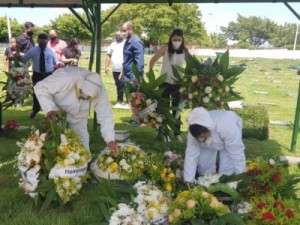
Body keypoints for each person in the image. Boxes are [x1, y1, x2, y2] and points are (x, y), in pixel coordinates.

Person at [33, 66, 119, 157]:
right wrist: (50, 109)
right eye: (81, 93)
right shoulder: (67, 77)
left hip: (79, 120)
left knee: (84, 154)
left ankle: (84, 168)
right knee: (53, 151)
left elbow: (105, 116)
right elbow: (40, 87)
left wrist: (110, 140)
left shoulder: (100, 91)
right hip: (57, 117)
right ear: (79, 84)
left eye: (88, 98)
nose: (83, 98)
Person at [183, 107, 246, 183]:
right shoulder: (193, 133)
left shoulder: (226, 126)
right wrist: (188, 180)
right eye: (200, 137)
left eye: (204, 136)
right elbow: (191, 155)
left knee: (226, 170)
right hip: (212, 135)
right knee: (204, 168)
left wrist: (241, 178)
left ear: (208, 128)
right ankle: (209, 183)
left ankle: (230, 184)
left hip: (229, 136)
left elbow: (237, 153)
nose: (203, 139)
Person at [149, 29, 190, 143]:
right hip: (165, 82)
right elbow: (152, 61)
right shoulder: (165, 48)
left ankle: (177, 134)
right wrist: (151, 74)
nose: (176, 41)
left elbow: (191, 64)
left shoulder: (185, 50)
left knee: (177, 110)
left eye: (179, 40)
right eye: (174, 39)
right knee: (163, 108)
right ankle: (163, 132)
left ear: (182, 40)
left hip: (179, 84)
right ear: (171, 39)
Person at [21, 33, 61, 119]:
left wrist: (60, 64)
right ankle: (35, 109)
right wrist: (17, 56)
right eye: (41, 40)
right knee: (36, 93)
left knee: (51, 93)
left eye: (44, 40)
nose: (42, 41)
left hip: (49, 75)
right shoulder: (32, 50)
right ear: (38, 40)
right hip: (37, 75)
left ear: (47, 41)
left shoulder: (51, 51)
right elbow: (23, 60)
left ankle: (52, 112)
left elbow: (55, 62)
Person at [104, 30, 127, 109]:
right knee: (118, 85)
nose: (117, 37)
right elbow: (108, 55)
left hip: (124, 69)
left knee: (124, 85)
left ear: (123, 36)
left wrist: (124, 69)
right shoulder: (112, 44)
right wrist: (106, 66)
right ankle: (120, 100)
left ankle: (122, 101)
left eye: (119, 35)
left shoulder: (126, 43)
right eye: (116, 35)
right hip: (115, 69)